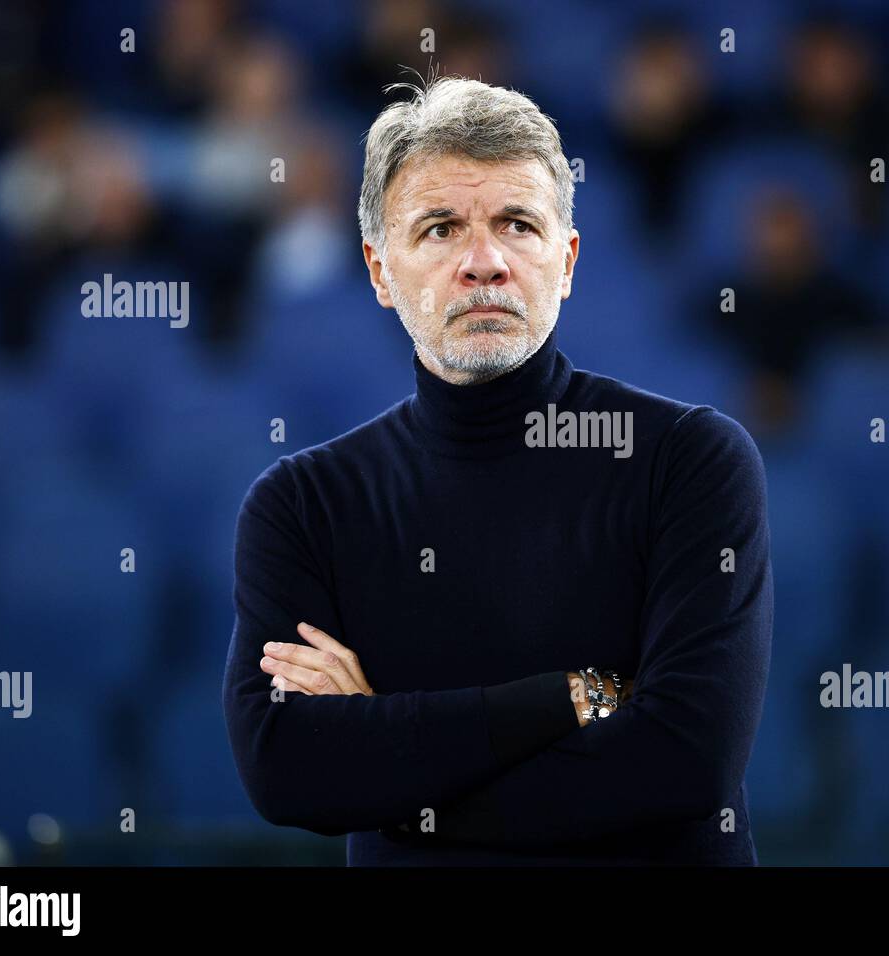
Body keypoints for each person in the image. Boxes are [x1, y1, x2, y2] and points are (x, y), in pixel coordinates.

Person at [222, 73, 773, 865]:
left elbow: (687, 763)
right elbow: (286, 773)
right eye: (440, 228)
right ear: (380, 270)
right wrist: (563, 700)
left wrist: (388, 765)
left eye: (517, 224)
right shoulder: (303, 505)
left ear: (568, 260)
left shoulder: (689, 461)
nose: (484, 262)